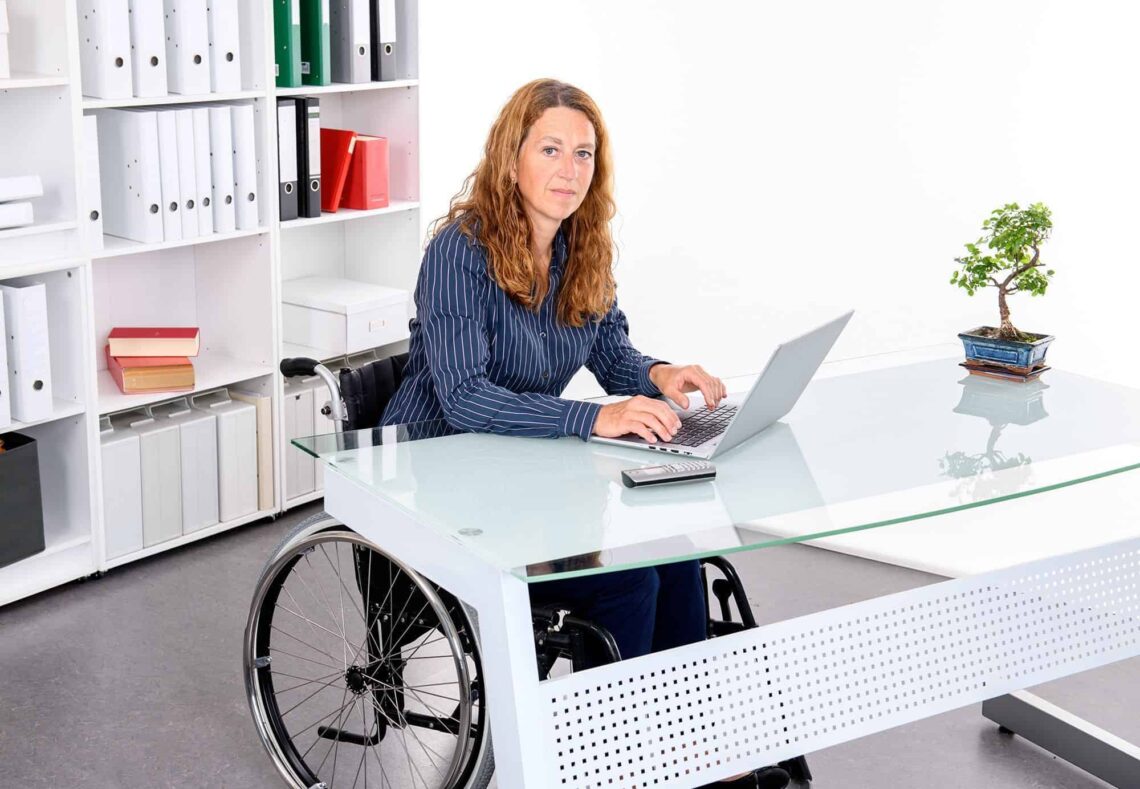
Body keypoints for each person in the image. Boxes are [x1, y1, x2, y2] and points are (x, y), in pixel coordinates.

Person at [381, 78, 789, 789]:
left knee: (677, 556)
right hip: (441, 475)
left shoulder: (580, 248)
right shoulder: (459, 252)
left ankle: (688, 744)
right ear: (511, 157)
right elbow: (466, 399)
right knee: (626, 584)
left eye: (583, 153)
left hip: (518, 470)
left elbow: (610, 355)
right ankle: (609, 763)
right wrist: (594, 416)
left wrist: (659, 373)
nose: (570, 169)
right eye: (551, 149)